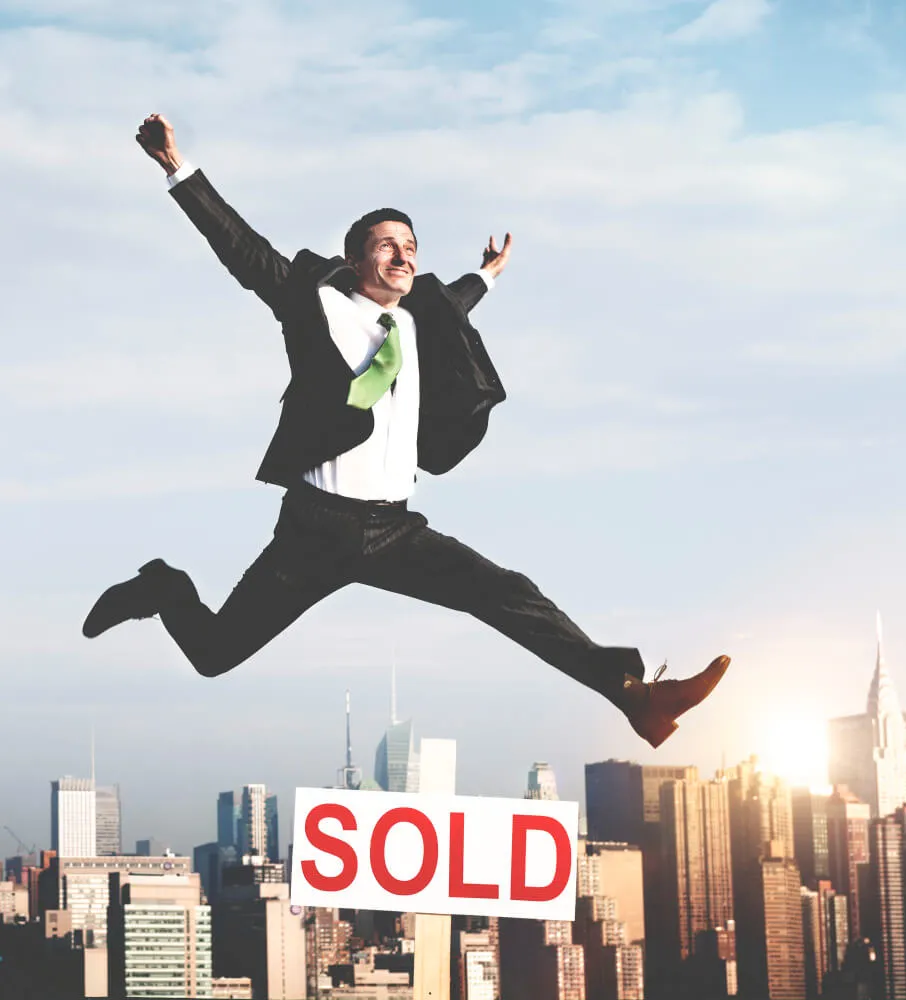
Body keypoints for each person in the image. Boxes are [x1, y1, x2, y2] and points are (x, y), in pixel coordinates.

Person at [83, 113, 730, 749]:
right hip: (315, 529)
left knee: (504, 592)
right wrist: (176, 166)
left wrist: (488, 274)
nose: (404, 255)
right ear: (354, 258)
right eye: (388, 245)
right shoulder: (316, 305)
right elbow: (243, 250)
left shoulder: (421, 320)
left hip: (393, 530)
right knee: (214, 655)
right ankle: (165, 588)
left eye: (412, 247)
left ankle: (636, 697)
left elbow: (457, 297)